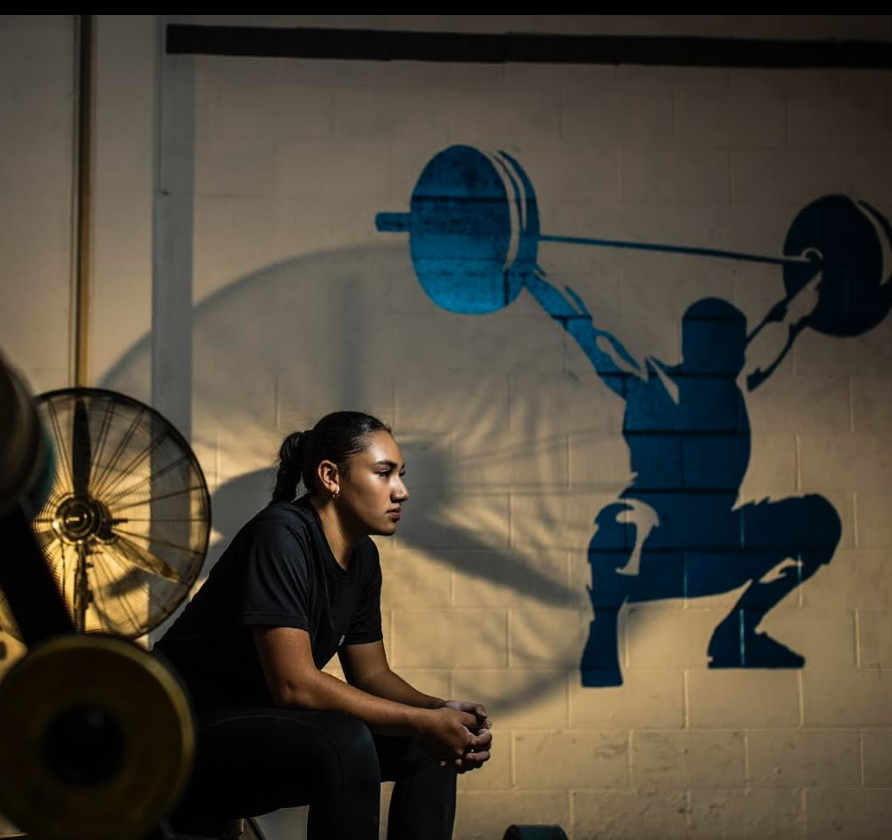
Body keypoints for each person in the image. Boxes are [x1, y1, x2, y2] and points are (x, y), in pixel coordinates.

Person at [155, 411, 492, 840]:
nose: (402, 491)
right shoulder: (280, 535)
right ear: (331, 476)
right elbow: (294, 686)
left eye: (400, 475)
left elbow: (372, 675)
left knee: (429, 748)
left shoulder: (363, 557)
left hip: (258, 725)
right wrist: (418, 719)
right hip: (180, 732)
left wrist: (438, 713)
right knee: (347, 739)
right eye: (384, 473)